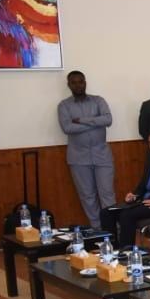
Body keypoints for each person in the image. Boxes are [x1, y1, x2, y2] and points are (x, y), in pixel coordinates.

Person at [57, 70, 116, 229]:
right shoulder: (64, 105)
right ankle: (98, 230)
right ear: (69, 85)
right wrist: (95, 122)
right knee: (87, 197)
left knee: (107, 195)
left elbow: (108, 119)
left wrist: (82, 120)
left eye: (81, 81)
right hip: (78, 158)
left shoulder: (98, 101)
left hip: (102, 155)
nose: (78, 85)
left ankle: (112, 230)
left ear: (85, 82)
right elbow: (67, 128)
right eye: (74, 82)